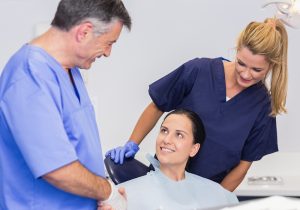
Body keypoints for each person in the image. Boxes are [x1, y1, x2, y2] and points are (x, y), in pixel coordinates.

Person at [106, 17, 289, 192]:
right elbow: (157, 105)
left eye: (257, 70)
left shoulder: (262, 106)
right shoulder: (199, 71)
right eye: (241, 63)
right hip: (162, 185)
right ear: (237, 50)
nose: (246, 74)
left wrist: (215, 200)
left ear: (271, 67)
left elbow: (244, 164)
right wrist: (132, 143)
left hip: (208, 191)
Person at [0, 0, 131, 209]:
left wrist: (101, 193)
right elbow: (57, 169)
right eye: (109, 43)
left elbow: (79, 147)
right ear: (84, 32)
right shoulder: (29, 74)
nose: (108, 53)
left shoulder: (72, 70)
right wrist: (107, 191)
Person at [101, 109, 239, 210]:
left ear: (194, 149)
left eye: (179, 135)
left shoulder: (216, 193)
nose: (166, 139)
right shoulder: (125, 195)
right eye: (164, 131)